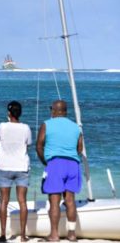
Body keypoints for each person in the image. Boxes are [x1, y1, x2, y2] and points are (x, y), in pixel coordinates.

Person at [36, 100, 83, 242]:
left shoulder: (47, 124)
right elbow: (80, 148)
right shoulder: (76, 127)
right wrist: (73, 157)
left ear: (55, 111)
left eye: (52, 109)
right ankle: (72, 234)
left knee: (54, 201)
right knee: (70, 200)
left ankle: (54, 235)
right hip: (73, 164)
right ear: (65, 111)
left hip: (55, 163)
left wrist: (46, 162)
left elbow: (39, 145)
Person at [0, 101, 32, 242]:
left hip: (4, 166)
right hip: (21, 167)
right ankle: (22, 236)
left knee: (4, 201)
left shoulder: (2, 126)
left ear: (9, 113)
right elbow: (28, 143)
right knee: (22, 202)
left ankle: (3, 235)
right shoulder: (26, 127)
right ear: (20, 113)